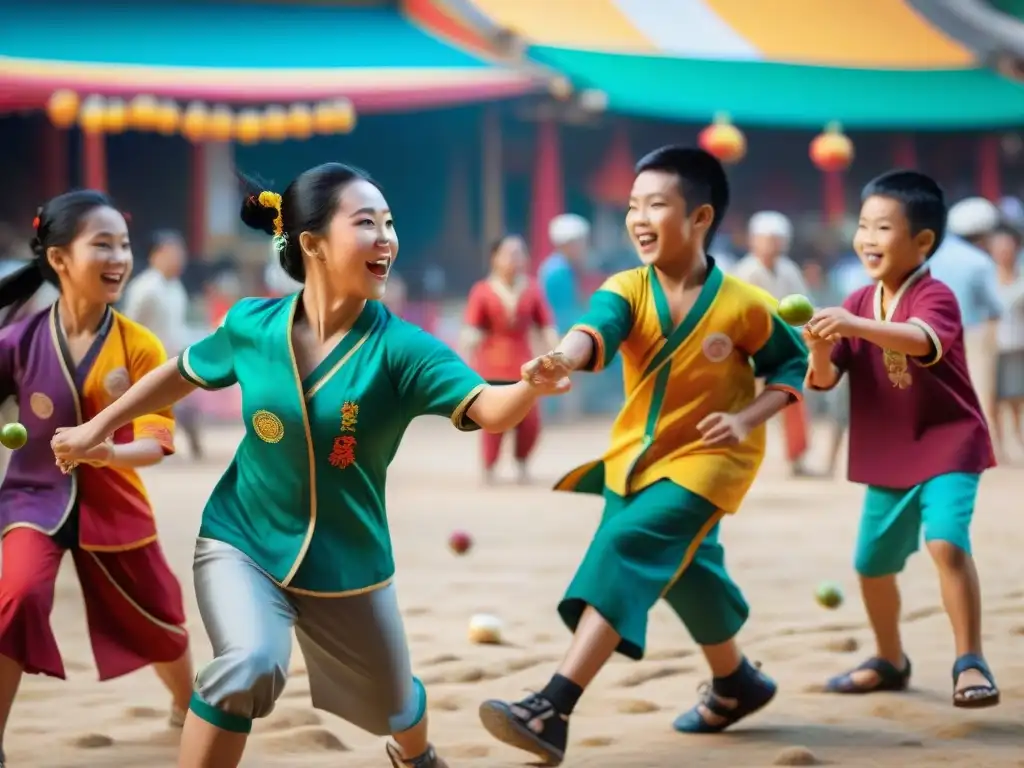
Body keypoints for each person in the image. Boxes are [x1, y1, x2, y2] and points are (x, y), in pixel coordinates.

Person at [50, 163, 568, 768]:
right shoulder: (251, 324)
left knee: (395, 704)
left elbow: (487, 407)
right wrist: (97, 427)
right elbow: (181, 372)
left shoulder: (403, 348)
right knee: (244, 667)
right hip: (240, 541)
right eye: (367, 223)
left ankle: (415, 754)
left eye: (390, 224)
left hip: (348, 563)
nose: (387, 239)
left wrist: (528, 386)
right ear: (313, 243)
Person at [477, 147, 808, 765]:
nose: (639, 219)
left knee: (628, 548)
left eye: (656, 204)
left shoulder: (743, 303)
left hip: (712, 461)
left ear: (701, 216)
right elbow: (594, 327)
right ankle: (736, 681)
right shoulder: (625, 286)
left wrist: (744, 418)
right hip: (636, 458)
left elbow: (791, 368)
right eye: (633, 206)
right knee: (685, 570)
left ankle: (553, 704)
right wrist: (562, 361)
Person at [0, 191, 195, 767]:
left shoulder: (140, 346)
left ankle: (188, 704)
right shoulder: (19, 340)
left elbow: (156, 444)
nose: (119, 257)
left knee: (161, 621)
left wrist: (104, 452)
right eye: (102, 244)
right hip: (32, 500)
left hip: (117, 506)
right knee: (17, 598)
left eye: (125, 244)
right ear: (59, 259)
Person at [805, 171, 999, 708]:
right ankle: (890, 659)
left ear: (922, 242)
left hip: (947, 441)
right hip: (889, 453)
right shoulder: (857, 300)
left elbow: (921, 340)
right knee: (871, 566)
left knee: (945, 541)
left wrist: (851, 325)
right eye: (863, 225)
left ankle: (970, 660)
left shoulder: (935, 296)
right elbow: (822, 379)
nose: (867, 237)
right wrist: (821, 346)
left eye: (883, 227)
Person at [461, 234, 559, 483]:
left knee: (530, 421)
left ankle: (522, 462)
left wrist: (558, 353)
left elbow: (546, 325)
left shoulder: (533, 289)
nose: (516, 259)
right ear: (495, 258)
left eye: (520, 253)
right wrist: (463, 364)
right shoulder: (482, 291)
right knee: (494, 422)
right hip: (491, 367)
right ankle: (490, 467)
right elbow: (471, 330)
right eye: (509, 253)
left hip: (525, 366)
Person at [734, 212, 816, 476]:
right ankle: (737, 460)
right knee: (744, 404)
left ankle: (797, 458)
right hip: (750, 349)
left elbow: (804, 306)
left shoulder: (789, 269)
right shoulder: (745, 272)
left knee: (792, 398)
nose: (772, 244)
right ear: (753, 240)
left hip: (784, 347)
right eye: (767, 238)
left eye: (777, 239)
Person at [122, 230, 204, 460]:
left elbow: (177, 325)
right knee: (159, 407)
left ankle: (178, 447)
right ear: (156, 256)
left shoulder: (175, 287)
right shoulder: (145, 288)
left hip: (174, 358)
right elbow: (130, 324)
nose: (179, 260)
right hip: (149, 361)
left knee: (183, 406)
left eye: (181, 254)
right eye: (172, 254)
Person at [931, 197, 1003, 426]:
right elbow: (993, 307)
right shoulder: (979, 261)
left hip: (931, 333)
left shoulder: (932, 256)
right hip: (971, 334)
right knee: (979, 393)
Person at [991, 224, 1024, 457]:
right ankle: (998, 448)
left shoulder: (1021, 278)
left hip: (1018, 345)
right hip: (992, 347)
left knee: (1018, 397)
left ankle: (1019, 441)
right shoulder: (986, 277)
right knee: (994, 397)